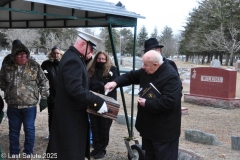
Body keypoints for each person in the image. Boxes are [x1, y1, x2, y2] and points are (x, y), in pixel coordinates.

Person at [105, 50, 182, 160]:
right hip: (149, 129)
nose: (143, 67)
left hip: (164, 132)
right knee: (149, 156)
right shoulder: (146, 71)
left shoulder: (171, 76)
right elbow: (130, 76)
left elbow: (169, 102)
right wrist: (115, 82)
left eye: (145, 65)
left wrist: (147, 103)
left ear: (156, 65)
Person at [48, 33, 108, 160]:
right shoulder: (73, 60)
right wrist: (96, 101)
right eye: (91, 48)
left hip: (69, 114)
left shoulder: (73, 57)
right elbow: (75, 89)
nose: (92, 52)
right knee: (70, 152)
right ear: (82, 44)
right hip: (70, 117)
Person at [0, 42, 49, 159]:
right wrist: (9, 92)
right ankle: (14, 153)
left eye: (25, 54)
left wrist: (44, 97)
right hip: (13, 106)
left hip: (29, 106)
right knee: (13, 131)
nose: (23, 56)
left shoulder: (34, 66)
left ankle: (28, 152)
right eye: (20, 54)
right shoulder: (7, 67)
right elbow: (1, 83)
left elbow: (44, 82)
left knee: (29, 129)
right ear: (14, 56)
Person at [87, 51, 118, 159]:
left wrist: (99, 85)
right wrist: (99, 85)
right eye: (99, 59)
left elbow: (113, 84)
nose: (100, 61)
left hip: (108, 102)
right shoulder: (91, 69)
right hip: (94, 101)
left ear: (106, 59)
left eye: (103, 59)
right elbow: (89, 83)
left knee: (104, 127)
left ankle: (102, 149)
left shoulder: (113, 70)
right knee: (94, 126)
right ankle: (96, 147)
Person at [41, 46, 63, 140]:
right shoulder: (46, 64)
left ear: (60, 54)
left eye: (58, 53)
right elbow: (42, 77)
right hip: (51, 94)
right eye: (54, 53)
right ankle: (52, 134)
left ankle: (61, 135)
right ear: (51, 54)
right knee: (52, 115)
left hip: (62, 95)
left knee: (62, 116)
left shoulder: (64, 64)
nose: (56, 55)